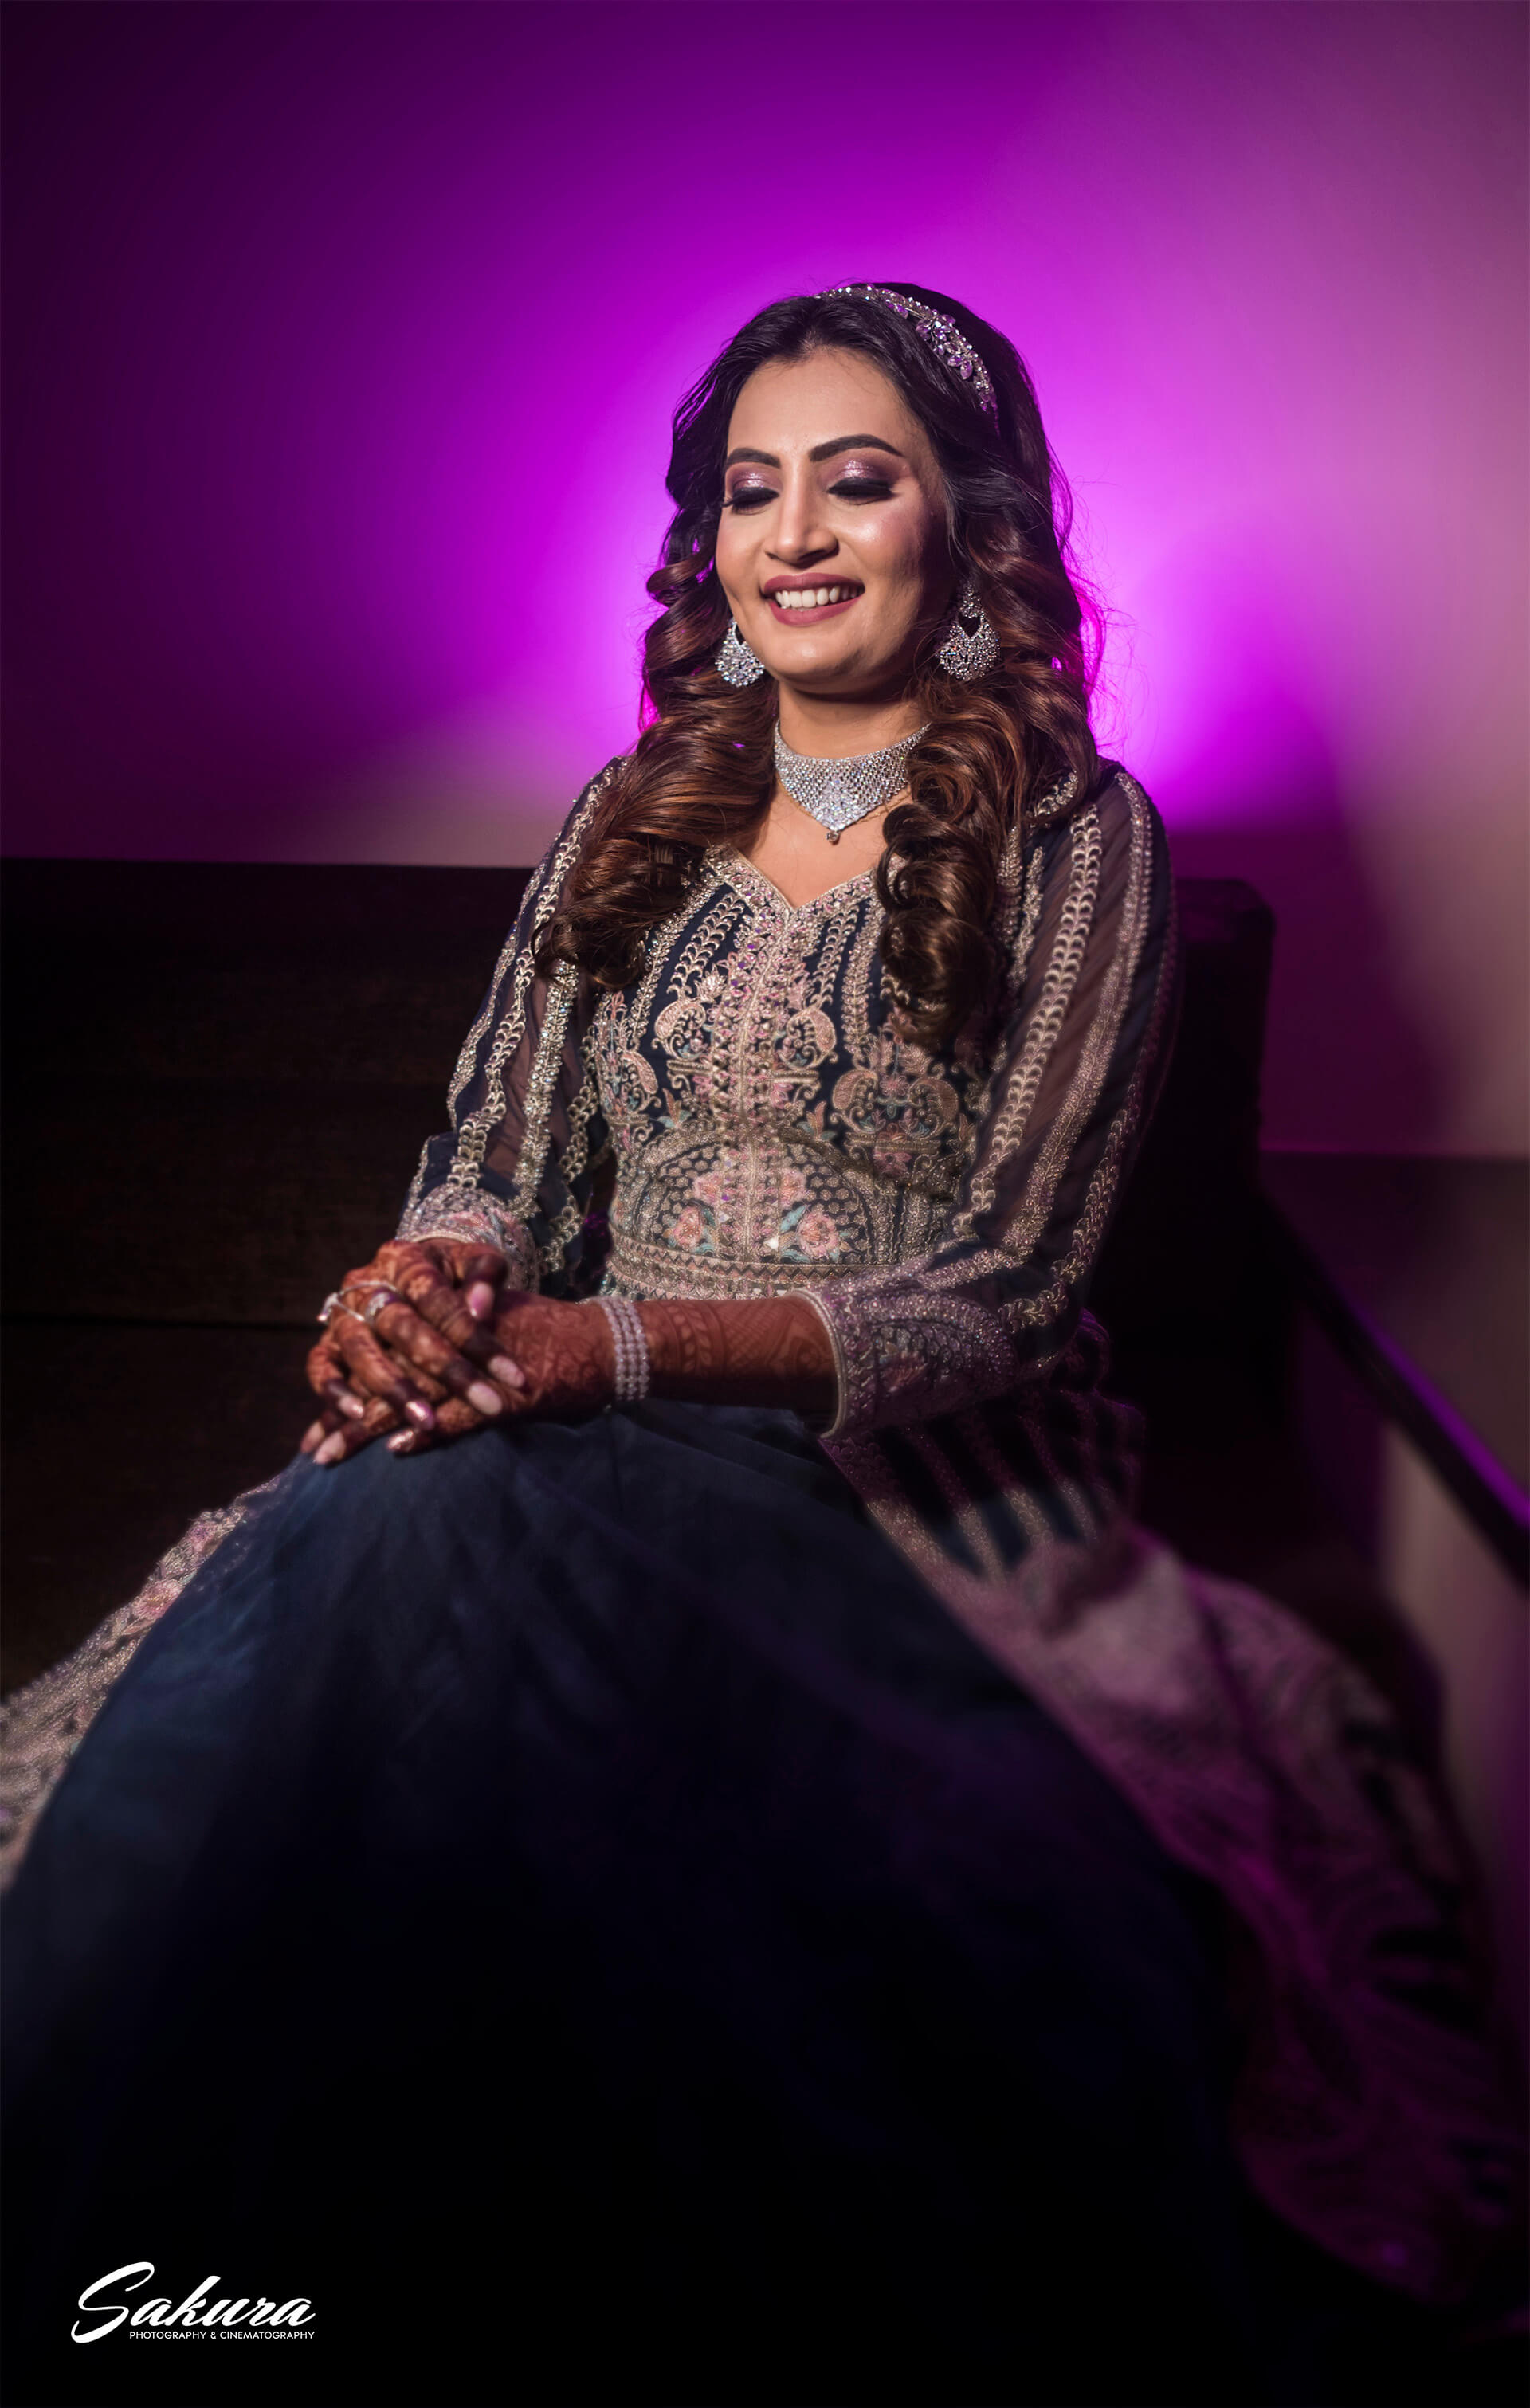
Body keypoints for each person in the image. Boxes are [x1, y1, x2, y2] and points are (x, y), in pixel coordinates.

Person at [2, 286, 1522, 2408]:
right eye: (749, 489)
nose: (792, 535)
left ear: (966, 525)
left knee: (503, 1614)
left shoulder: (1079, 838)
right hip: (553, 1435)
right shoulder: (627, 818)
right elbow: (493, 1164)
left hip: (908, 1496)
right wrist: (416, 1295)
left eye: (856, 481)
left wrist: (603, 1350)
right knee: (377, 1556)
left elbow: (1009, 1287)